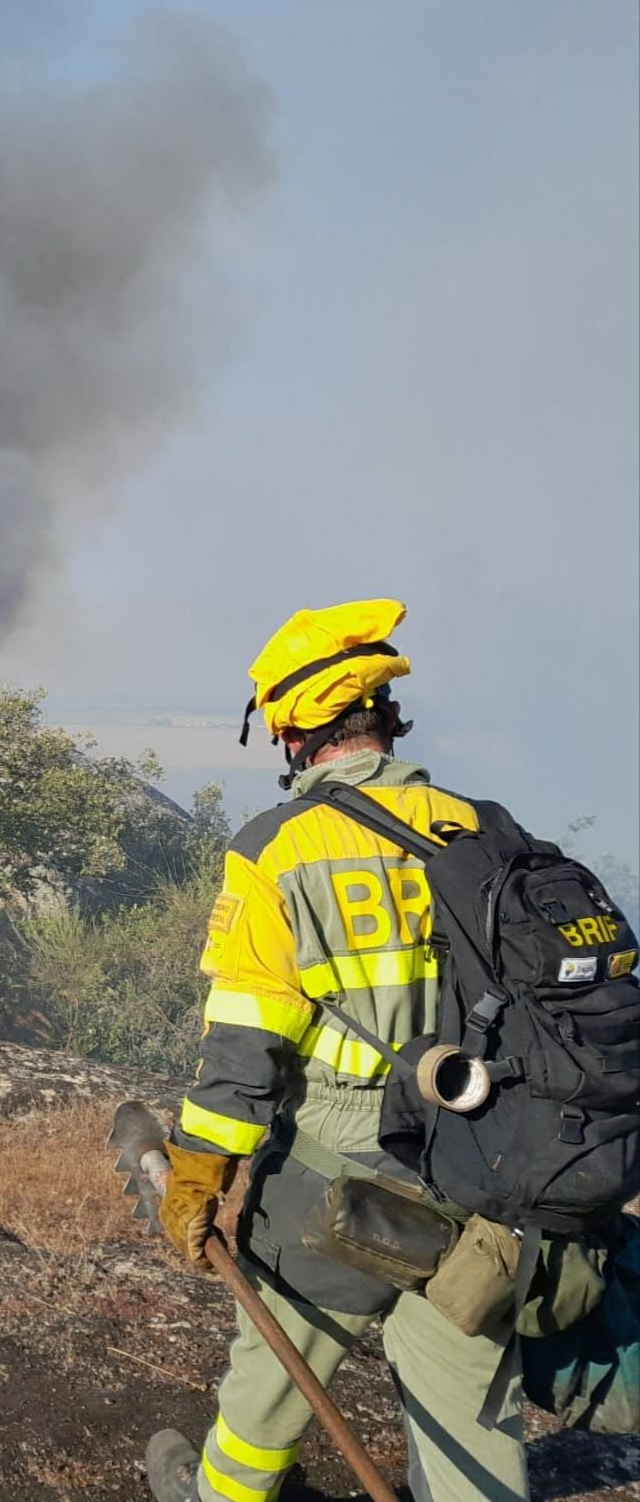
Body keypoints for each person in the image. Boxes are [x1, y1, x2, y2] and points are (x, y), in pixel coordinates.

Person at [146, 600, 528, 1502]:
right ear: (385, 718)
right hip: (482, 1166)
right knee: (471, 1425)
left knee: (268, 1397)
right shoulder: (483, 830)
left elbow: (247, 1045)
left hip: (336, 1173)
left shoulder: (278, 851)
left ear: (293, 734)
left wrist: (202, 1174)